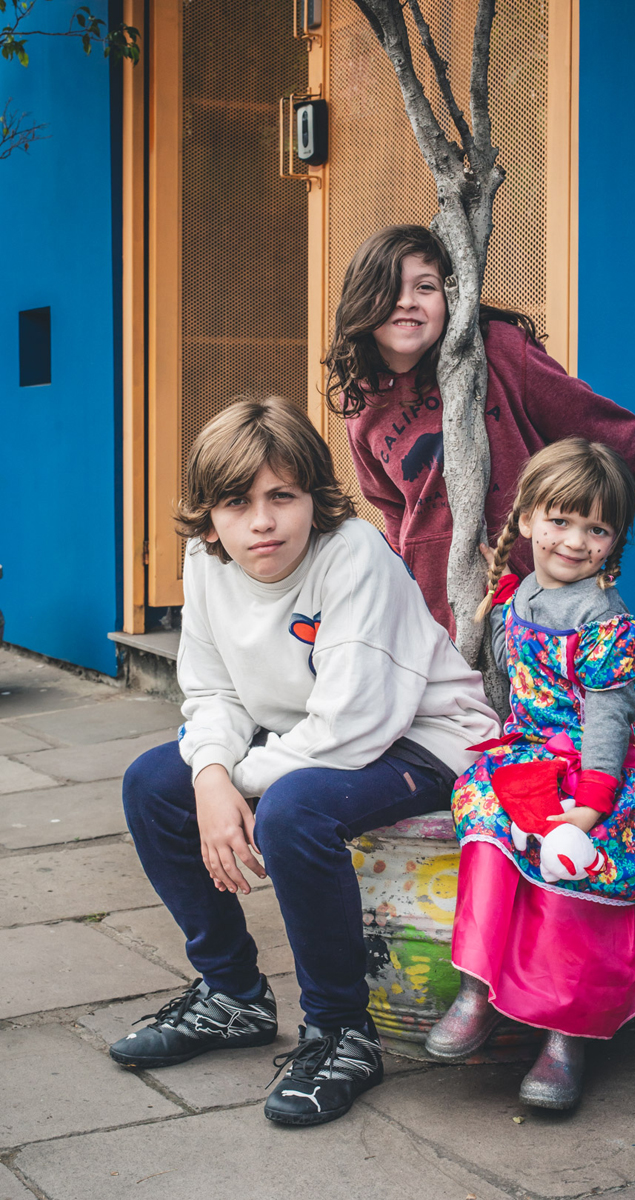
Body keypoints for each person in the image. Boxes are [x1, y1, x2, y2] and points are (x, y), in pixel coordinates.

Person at [326, 224, 635, 991]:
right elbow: (393, 521)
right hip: (447, 625)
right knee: (498, 776)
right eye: (392, 289)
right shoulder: (365, 414)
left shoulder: (497, 354)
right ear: (363, 303)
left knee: (599, 755)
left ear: (452, 294)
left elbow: (598, 426)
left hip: (542, 613)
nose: (410, 303)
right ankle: (505, 937)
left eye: (427, 286)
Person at [109, 396, 500, 1127]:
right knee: (153, 784)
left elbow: (352, 728)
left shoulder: (353, 554)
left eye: (281, 496)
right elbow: (214, 692)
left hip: (428, 738)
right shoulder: (207, 561)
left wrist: (228, 786)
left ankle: (342, 1033)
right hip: (310, 736)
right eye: (237, 502)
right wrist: (209, 776)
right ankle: (232, 996)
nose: (262, 521)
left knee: (293, 812)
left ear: (313, 498)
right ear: (209, 517)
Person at [426, 438, 635, 1108]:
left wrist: (589, 808)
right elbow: (514, 684)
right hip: (530, 756)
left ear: (615, 541)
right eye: (560, 521)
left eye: (597, 529)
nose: (575, 541)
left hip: (594, 773)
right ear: (528, 517)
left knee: (572, 872)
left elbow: (608, 723)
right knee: (487, 825)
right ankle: (478, 989)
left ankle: (567, 1036)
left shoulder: (605, 622)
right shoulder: (518, 595)